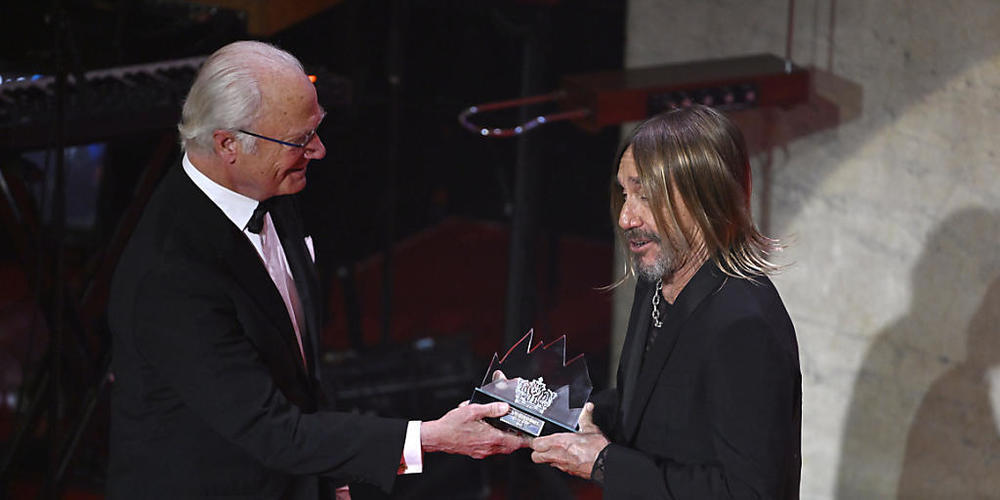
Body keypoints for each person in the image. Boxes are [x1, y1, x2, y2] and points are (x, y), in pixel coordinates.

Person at [107, 40, 527, 499]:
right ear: (228, 144)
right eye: (300, 140)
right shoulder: (173, 275)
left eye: (316, 131)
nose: (320, 150)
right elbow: (269, 429)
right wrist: (432, 437)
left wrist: (334, 475)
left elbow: (297, 373)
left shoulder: (271, 186)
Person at [530, 105, 801, 499]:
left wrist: (604, 463)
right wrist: (554, 410)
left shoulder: (743, 325)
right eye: (625, 194)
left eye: (646, 195)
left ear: (706, 197)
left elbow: (748, 492)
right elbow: (648, 409)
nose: (626, 217)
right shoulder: (658, 283)